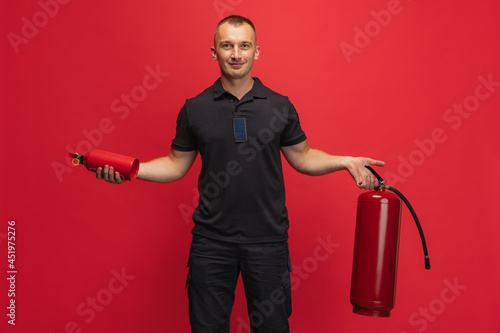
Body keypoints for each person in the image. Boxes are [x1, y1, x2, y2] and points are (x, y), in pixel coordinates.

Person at [96, 15, 384, 333]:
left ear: (257, 51)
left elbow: (303, 157)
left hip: (268, 243)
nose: (236, 54)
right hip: (211, 243)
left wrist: (345, 161)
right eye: (227, 46)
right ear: (214, 52)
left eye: (244, 46)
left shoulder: (280, 106)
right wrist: (133, 171)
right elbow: (175, 163)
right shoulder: (195, 108)